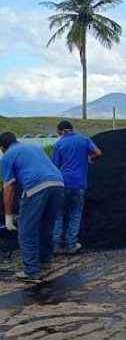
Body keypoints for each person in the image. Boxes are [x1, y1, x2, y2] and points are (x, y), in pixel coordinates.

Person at [0, 132, 64, 282]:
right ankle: (45, 262)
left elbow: (9, 187)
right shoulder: (33, 148)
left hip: (36, 186)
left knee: (26, 230)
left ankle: (31, 271)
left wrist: (8, 216)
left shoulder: (8, 155)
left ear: (3, 147)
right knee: (46, 226)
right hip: (58, 184)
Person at [52, 120, 102, 254]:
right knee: (75, 213)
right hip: (79, 183)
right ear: (71, 129)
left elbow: (55, 166)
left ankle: (56, 245)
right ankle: (71, 245)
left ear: (62, 131)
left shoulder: (59, 144)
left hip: (62, 183)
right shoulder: (84, 139)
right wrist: (89, 158)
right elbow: (98, 152)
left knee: (59, 214)